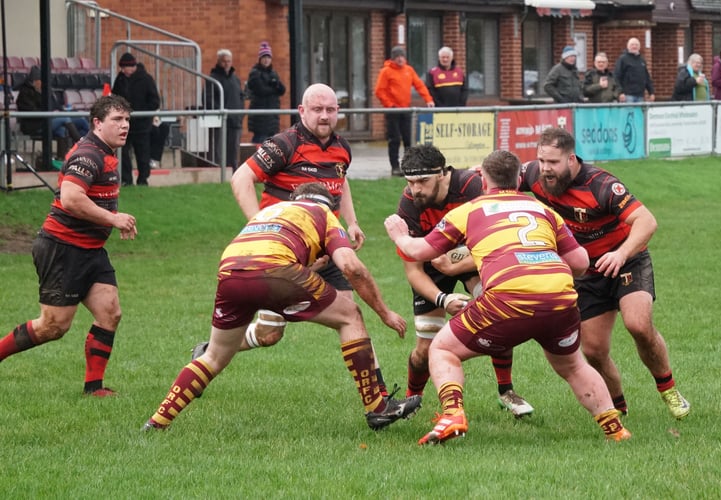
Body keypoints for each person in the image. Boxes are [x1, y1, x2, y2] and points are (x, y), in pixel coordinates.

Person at [384, 150, 631, 445]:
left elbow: (420, 252)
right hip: (560, 297)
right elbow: (579, 261)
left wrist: (399, 235)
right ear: (518, 179)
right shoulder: (543, 210)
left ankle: (453, 414)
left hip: (508, 296)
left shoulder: (469, 210)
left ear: (483, 180)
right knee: (574, 366)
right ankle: (615, 430)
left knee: (442, 349)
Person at [143, 182, 422, 431]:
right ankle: (378, 408)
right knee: (350, 315)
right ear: (329, 206)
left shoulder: (272, 211)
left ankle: (157, 421)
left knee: (215, 355)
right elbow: (352, 268)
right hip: (275, 270)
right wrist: (384, 312)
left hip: (230, 270)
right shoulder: (324, 215)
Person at [195, 83, 391, 397]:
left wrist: (351, 222)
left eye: (330, 110)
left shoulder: (342, 147)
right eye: (317, 109)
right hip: (284, 254)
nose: (324, 116)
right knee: (270, 334)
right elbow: (241, 178)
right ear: (302, 111)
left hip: (327, 246)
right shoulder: (285, 143)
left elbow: (340, 183)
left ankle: (378, 396)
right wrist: (260, 226)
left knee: (351, 313)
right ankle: (210, 351)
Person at [520, 127, 690, 420]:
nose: (546, 169)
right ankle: (618, 408)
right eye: (542, 161)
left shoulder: (602, 185)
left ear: (571, 159)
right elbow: (492, 177)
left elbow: (646, 221)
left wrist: (621, 253)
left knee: (638, 325)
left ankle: (668, 389)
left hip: (626, 260)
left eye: (553, 163)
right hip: (588, 271)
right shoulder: (533, 174)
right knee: (594, 350)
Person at [0, 95, 137, 396]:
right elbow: (71, 198)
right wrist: (113, 219)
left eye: (127, 119)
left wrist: (110, 221)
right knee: (53, 326)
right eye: (117, 120)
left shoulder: (106, 151)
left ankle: (93, 388)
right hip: (62, 249)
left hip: (89, 250)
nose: (124, 125)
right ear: (97, 123)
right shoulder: (88, 154)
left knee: (110, 312)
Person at [394, 144, 533, 417]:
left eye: (423, 181)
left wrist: (456, 261)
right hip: (432, 264)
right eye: (410, 182)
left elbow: (496, 244)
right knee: (423, 350)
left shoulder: (472, 187)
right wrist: (442, 299)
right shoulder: (409, 203)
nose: (415, 189)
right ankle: (411, 401)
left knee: (498, 319)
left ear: (444, 174)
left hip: (472, 256)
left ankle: (506, 392)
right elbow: (413, 270)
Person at [375, 46, 435, 177]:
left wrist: (428, 99)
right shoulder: (386, 71)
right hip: (393, 111)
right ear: (393, 58)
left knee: (408, 139)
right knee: (394, 139)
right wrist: (390, 105)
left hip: (406, 109)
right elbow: (379, 91)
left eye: (402, 56)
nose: (400, 59)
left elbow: (419, 85)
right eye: (397, 57)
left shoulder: (409, 70)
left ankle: (408, 165)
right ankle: (395, 167)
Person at [111, 53, 161, 186]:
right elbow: (115, 97)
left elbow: (154, 101)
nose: (122, 70)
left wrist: (142, 113)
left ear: (131, 67)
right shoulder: (120, 79)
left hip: (142, 124)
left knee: (142, 154)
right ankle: (127, 179)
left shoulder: (146, 79)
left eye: (124, 67)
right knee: (124, 154)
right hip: (124, 124)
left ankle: (143, 179)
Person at [15, 65, 89, 152]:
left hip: (50, 120)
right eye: (41, 81)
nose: (43, 84)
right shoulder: (24, 94)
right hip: (35, 125)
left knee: (80, 121)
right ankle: (84, 147)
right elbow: (31, 113)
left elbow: (56, 106)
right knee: (65, 119)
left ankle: (63, 159)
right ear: (34, 81)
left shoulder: (47, 91)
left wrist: (62, 110)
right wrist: (51, 113)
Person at [206, 48, 244, 171]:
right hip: (220, 122)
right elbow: (208, 99)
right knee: (218, 151)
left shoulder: (235, 79)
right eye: (224, 61)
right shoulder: (213, 79)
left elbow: (241, 98)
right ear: (218, 62)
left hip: (235, 121)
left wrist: (240, 115)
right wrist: (220, 112)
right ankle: (219, 174)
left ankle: (233, 174)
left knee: (233, 152)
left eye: (229, 61)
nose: (227, 64)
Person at [246, 41, 286, 145]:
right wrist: (274, 88)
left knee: (271, 145)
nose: (266, 60)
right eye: (264, 57)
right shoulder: (255, 73)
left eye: (268, 57)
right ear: (260, 59)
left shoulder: (273, 73)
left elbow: (282, 90)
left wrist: (275, 84)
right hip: (260, 116)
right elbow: (261, 90)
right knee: (259, 142)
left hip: (272, 117)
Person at [614, 38, 655, 103]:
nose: (634, 46)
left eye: (636, 45)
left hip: (640, 95)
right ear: (628, 46)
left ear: (639, 47)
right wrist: (620, 92)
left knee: (638, 113)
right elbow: (616, 76)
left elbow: (646, 77)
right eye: (632, 44)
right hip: (627, 95)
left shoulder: (642, 60)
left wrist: (651, 92)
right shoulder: (623, 59)